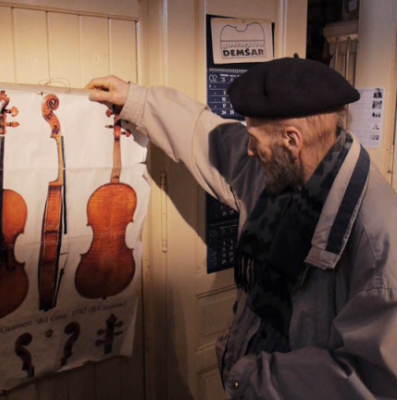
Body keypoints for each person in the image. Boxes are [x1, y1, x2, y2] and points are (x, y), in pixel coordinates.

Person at [86, 57, 397, 400]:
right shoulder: (287, 168)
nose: (247, 150)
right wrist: (136, 101)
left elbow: (372, 381)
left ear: (291, 140)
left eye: (253, 138)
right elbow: (209, 137)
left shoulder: (379, 239)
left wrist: (253, 377)